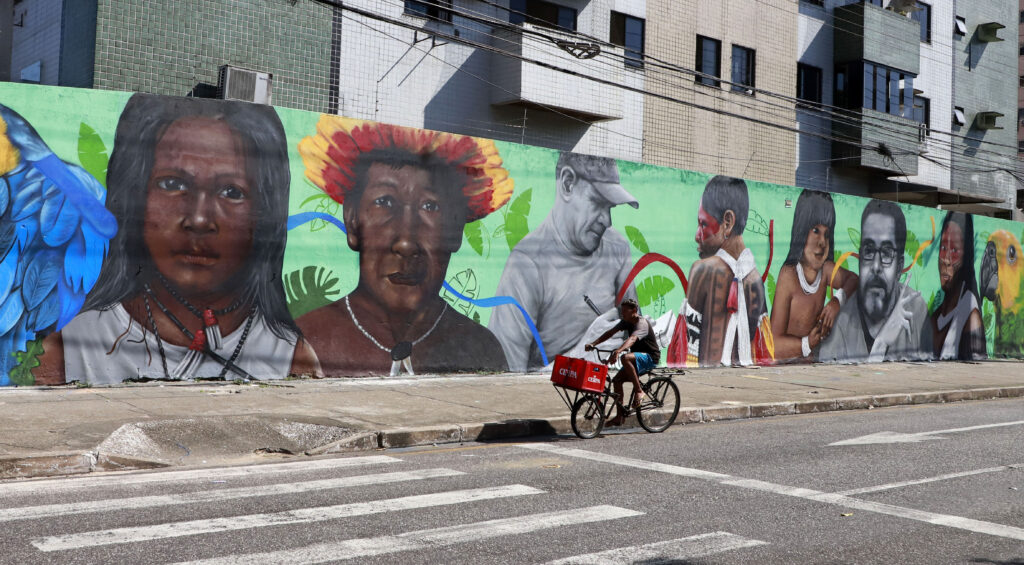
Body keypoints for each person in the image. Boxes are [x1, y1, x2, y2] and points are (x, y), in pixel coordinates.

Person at [35, 94, 320, 384]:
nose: (198, 219)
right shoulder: (72, 350)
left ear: (264, 214)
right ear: (136, 196)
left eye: (231, 192)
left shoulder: (288, 357)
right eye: (172, 184)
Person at [296, 117, 513, 375]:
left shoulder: (481, 349)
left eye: (430, 206)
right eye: (385, 202)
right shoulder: (304, 343)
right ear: (352, 222)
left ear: (455, 230)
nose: (407, 243)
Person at [488, 152, 639, 372]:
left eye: (611, 208)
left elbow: (633, 325)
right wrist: (579, 357)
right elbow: (507, 380)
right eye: (598, 203)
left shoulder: (617, 248)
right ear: (567, 184)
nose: (607, 220)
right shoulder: (526, 264)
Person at [818, 200, 933, 363]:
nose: (876, 266)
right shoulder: (841, 320)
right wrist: (882, 342)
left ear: (899, 267)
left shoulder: (916, 310)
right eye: (869, 251)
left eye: (886, 253)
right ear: (859, 260)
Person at [677, 175, 772, 367]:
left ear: (727, 222)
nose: (697, 236)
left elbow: (687, 349)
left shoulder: (702, 270)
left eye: (703, 224)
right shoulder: (756, 280)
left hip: (708, 383)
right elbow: (762, 349)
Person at [770, 190, 858, 362]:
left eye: (827, 234)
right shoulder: (789, 275)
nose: (822, 242)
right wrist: (806, 344)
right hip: (786, 364)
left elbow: (853, 279)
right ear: (801, 231)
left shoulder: (825, 270)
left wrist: (836, 302)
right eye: (816, 231)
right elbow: (774, 344)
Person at [585, 298, 660, 427]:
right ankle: (619, 417)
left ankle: (639, 390)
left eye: (625, 311)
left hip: (650, 357)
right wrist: (593, 343)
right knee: (617, 381)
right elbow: (610, 333)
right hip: (636, 358)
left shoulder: (641, 324)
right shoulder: (626, 322)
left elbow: (632, 339)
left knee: (625, 358)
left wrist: (618, 351)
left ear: (634, 311)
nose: (622, 313)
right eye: (622, 311)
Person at [931, 211, 985, 360]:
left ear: (966, 257)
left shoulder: (970, 318)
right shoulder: (935, 317)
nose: (946, 260)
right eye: (943, 248)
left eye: (954, 250)